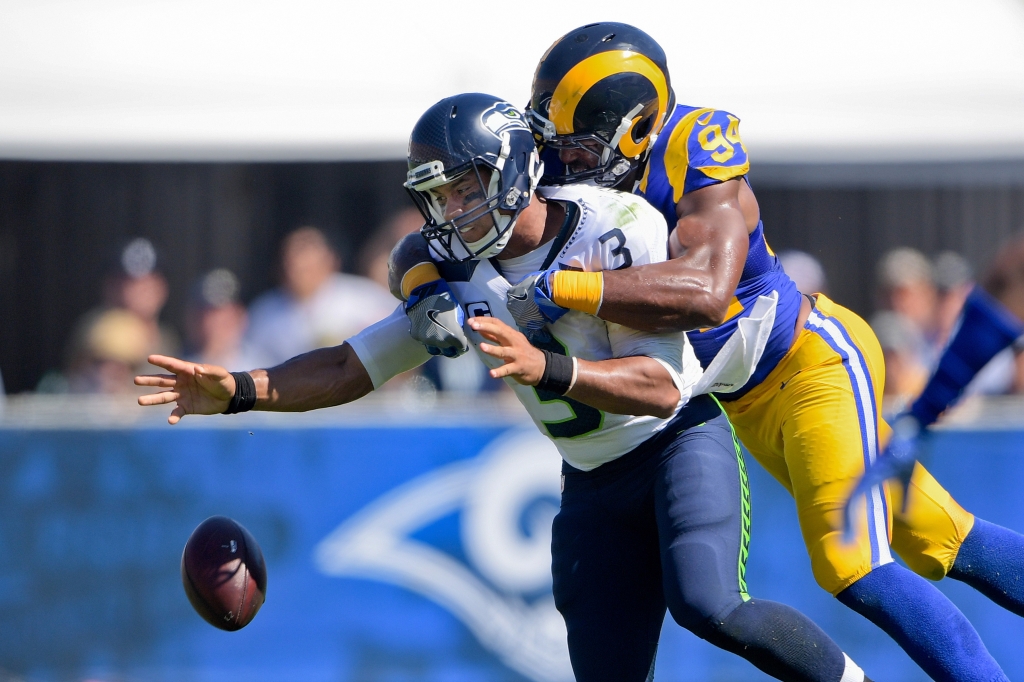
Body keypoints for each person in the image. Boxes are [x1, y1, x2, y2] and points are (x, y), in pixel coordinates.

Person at [138, 93, 870, 682]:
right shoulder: (458, 276)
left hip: (678, 446)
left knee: (710, 606)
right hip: (590, 483)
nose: (451, 213)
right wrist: (237, 386)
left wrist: (549, 367)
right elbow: (346, 365)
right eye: (439, 198)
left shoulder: (614, 228)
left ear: (513, 169)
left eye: (463, 190)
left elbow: (660, 389)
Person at [387, 24, 1010, 681]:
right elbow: (428, 240)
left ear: (636, 126)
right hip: (736, 396)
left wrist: (563, 287)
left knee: (851, 560)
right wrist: (422, 284)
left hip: (803, 362)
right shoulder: (564, 170)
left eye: (578, 147)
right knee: (939, 534)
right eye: (555, 145)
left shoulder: (696, 150)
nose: (564, 162)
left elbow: (709, 293)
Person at [244, 226, 396, 366]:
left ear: (330, 261)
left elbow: (398, 341)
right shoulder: (264, 312)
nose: (299, 274)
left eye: (307, 268)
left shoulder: (364, 298)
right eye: (293, 266)